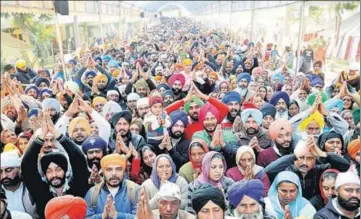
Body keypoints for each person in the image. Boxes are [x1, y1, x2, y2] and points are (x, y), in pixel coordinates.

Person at [21, 110, 89, 218]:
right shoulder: (40, 191)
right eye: (49, 171)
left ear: (65, 170)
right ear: (44, 174)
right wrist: (41, 135)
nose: (54, 175)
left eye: (58, 169)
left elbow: (79, 160)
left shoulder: (76, 187)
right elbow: (27, 165)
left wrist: (56, 133)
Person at [265, 137, 350, 200]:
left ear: (315, 159)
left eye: (309, 158)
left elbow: (345, 167)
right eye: (301, 157)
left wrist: (323, 154)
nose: (304, 162)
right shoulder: (286, 170)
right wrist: (294, 156)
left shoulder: (320, 169)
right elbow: (268, 171)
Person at [85, 153, 139, 218]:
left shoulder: (135, 190)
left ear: (124, 171)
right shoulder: (92, 193)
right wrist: (102, 216)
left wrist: (117, 215)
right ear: (103, 172)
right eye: (109, 170)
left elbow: (142, 217)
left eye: (118, 169)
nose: (114, 173)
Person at [0, 151, 38, 218]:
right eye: (0, 172)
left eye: (8, 170)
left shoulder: (31, 188)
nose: (4, 176)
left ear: (19, 169)